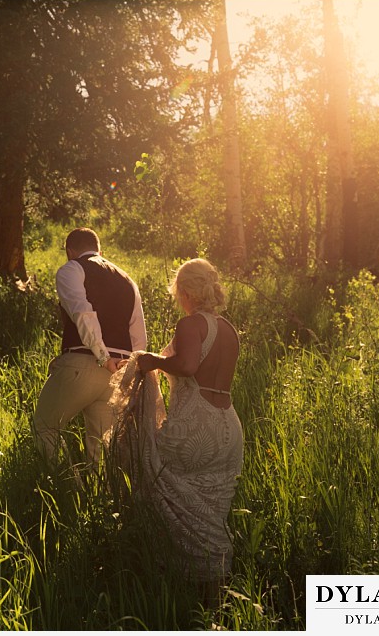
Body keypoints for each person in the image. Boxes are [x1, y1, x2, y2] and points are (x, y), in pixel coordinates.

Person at [108, 258, 244, 604]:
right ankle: (217, 583)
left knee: (149, 470)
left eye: (177, 293)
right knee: (210, 506)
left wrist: (152, 362)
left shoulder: (190, 324)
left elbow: (187, 366)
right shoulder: (227, 328)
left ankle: (178, 575)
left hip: (196, 423)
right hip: (227, 426)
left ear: (185, 291)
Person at [32, 227, 147, 469]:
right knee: (100, 448)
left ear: (69, 251)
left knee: (45, 427)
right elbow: (138, 335)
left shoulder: (71, 269)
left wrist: (103, 356)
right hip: (117, 373)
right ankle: (98, 500)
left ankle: (70, 492)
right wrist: (129, 371)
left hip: (86, 364)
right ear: (99, 251)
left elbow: (83, 314)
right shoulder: (128, 280)